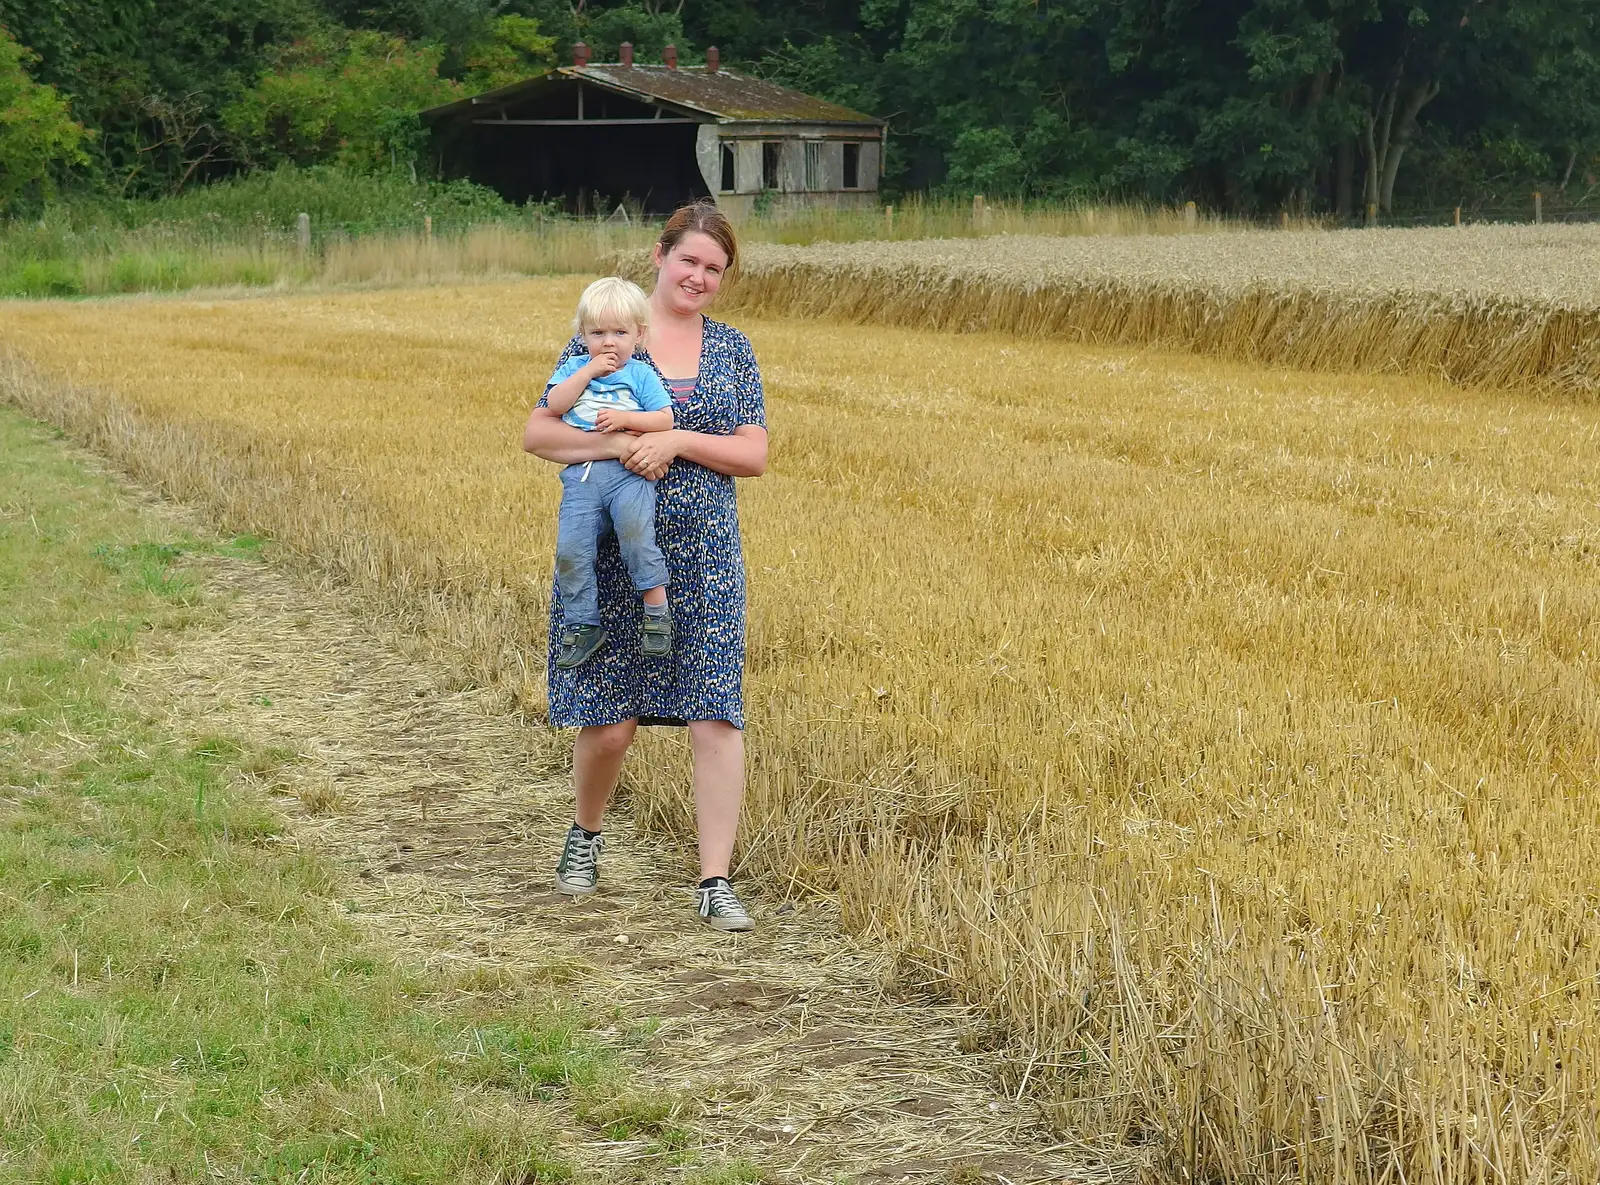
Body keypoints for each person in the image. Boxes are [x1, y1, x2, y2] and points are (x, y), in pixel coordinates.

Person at [522, 201, 768, 932]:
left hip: (708, 556)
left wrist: (679, 441)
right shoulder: (607, 335)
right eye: (689, 260)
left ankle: (714, 880)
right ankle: (585, 835)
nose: (699, 276)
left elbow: (753, 453)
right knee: (610, 723)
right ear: (659, 256)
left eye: (715, 269)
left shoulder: (731, 350)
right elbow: (538, 434)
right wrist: (622, 448)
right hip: (609, 552)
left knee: (716, 712)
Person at [542, 277, 675, 670]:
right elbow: (554, 404)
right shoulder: (574, 367)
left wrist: (625, 418)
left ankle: (656, 612)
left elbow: (665, 419)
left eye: (620, 332)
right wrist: (586, 373)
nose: (609, 342)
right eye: (597, 333)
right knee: (571, 550)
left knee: (637, 538)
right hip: (581, 478)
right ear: (582, 335)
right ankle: (583, 623)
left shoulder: (640, 376)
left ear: (639, 335)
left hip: (628, 476)